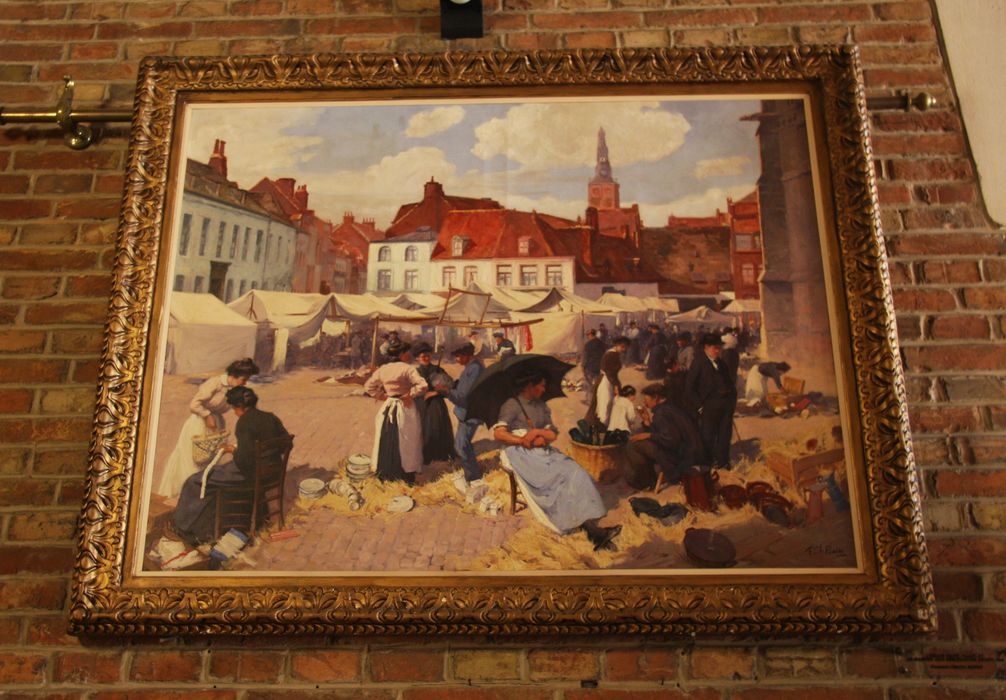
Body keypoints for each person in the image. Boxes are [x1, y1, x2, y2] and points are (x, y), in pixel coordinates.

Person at [494, 371, 621, 551]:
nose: (544, 389)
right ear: (530, 385)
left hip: (540, 448)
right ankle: (594, 533)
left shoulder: (541, 406)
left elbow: (552, 433)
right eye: (542, 385)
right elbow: (498, 433)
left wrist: (538, 434)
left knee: (574, 470)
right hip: (518, 451)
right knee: (556, 478)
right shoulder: (512, 405)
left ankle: (593, 531)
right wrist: (522, 440)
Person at [171, 386, 289, 546]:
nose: (234, 411)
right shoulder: (270, 417)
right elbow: (286, 443)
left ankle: (183, 527)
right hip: (272, 473)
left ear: (240, 407)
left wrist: (233, 450)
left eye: (234, 408)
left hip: (250, 474)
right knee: (215, 473)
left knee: (195, 481)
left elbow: (245, 461)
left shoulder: (244, 423)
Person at [156, 358, 260, 502]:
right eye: (243, 379)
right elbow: (194, 404)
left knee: (210, 459)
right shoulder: (215, 383)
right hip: (199, 424)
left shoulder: (235, 389)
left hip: (216, 425)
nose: (245, 383)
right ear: (233, 375)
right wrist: (208, 415)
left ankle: (202, 495)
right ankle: (187, 496)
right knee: (193, 461)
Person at [363, 339, 428, 485]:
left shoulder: (384, 369)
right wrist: (409, 394)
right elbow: (423, 385)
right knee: (407, 440)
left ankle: (386, 474)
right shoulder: (408, 369)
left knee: (387, 437)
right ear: (402, 354)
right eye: (407, 353)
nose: (409, 355)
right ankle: (405, 475)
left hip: (388, 406)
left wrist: (383, 396)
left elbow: (368, 387)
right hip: (404, 407)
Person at [624, 383, 706, 490]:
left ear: (656, 398)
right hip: (688, 453)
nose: (644, 402)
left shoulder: (662, 413)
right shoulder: (669, 408)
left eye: (646, 399)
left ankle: (647, 482)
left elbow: (670, 440)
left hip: (681, 457)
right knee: (640, 442)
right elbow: (665, 434)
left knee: (633, 445)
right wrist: (647, 422)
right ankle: (649, 479)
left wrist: (648, 434)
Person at [686, 333, 738, 469]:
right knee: (708, 436)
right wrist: (700, 406)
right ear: (706, 347)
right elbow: (689, 388)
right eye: (715, 348)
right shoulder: (698, 363)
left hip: (725, 405)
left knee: (725, 435)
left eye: (719, 348)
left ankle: (723, 462)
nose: (718, 351)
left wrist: (732, 402)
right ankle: (708, 464)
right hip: (708, 406)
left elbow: (730, 384)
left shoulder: (721, 363)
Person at [446, 341, 488, 500]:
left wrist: (446, 391)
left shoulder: (475, 369)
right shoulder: (471, 368)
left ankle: (474, 478)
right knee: (462, 445)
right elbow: (464, 389)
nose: (456, 359)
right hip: (466, 414)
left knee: (461, 446)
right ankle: (472, 474)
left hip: (470, 414)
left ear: (466, 355)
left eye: (458, 355)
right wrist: (454, 385)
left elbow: (463, 398)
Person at [413, 343, 455, 465]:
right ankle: (425, 456)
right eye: (423, 357)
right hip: (420, 404)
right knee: (422, 429)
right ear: (417, 358)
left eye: (427, 356)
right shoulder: (415, 372)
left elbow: (449, 386)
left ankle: (441, 454)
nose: (426, 358)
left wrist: (436, 392)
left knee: (437, 426)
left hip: (436, 405)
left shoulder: (438, 370)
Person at [590, 336, 630, 428]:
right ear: (617, 345)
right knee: (605, 405)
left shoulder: (613, 353)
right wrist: (616, 385)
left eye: (626, 347)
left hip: (608, 379)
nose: (624, 349)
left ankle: (604, 426)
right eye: (623, 347)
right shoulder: (612, 354)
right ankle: (603, 427)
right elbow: (610, 372)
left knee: (607, 405)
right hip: (606, 381)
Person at [581, 329, 605, 393]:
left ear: (591, 335)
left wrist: (582, 366)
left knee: (589, 384)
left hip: (590, 367)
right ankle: (596, 399)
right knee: (598, 384)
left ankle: (589, 400)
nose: (587, 337)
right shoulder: (601, 343)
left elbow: (585, 357)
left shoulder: (588, 345)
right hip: (599, 367)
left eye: (587, 335)